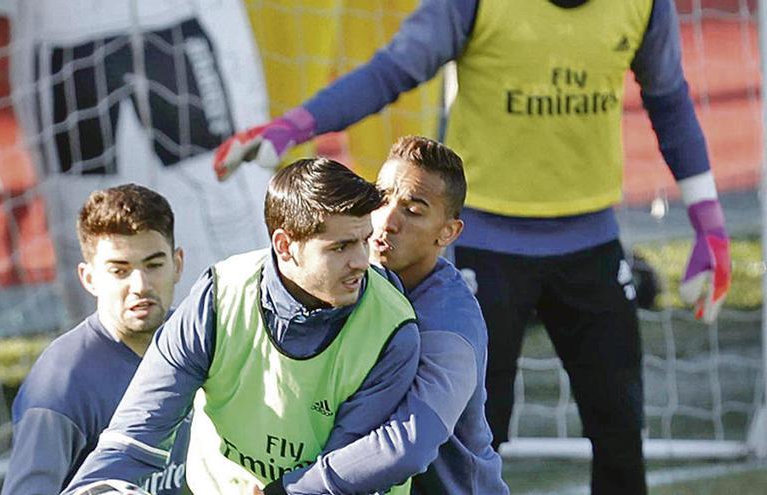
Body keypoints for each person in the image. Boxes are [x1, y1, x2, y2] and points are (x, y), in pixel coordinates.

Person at [214, 1, 732, 493]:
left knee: (621, 435)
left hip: (593, 244)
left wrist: (709, 223)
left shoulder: (645, 5)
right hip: (486, 249)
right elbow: (392, 70)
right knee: (475, 438)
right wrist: (295, 127)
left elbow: (668, 96)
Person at [63, 158, 421, 494]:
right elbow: (135, 432)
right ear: (284, 246)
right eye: (340, 247)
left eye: (363, 240)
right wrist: (96, 485)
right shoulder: (217, 297)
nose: (362, 261)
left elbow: (347, 469)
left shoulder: (392, 328)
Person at [253, 136, 509, 494]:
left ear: (447, 232)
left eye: (413, 210)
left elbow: (409, 444)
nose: (386, 221)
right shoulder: (339, 282)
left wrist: (293, 489)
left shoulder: (449, 325)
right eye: (382, 198)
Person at [13, 0, 273, 323]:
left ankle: (256, 326)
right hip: (67, 35)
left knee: (221, 181)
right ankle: (99, 348)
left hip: (171, 21)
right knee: (79, 204)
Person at [1, 184, 188, 495]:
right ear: (89, 279)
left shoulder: (199, 344)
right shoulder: (62, 384)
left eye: (154, 265)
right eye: (119, 270)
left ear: (177, 264)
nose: (140, 285)